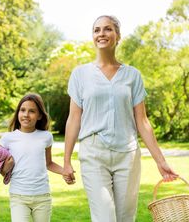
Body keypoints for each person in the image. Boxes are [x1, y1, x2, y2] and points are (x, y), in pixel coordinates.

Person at [62, 15, 178, 222]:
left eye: (107, 29)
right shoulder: (80, 74)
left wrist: (161, 161)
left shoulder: (132, 75)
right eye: (96, 30)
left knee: (125, 218)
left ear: (118, 35)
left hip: (128, 155)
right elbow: (73, 119)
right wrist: (66, 161)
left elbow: (142, 121)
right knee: (105, 217)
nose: (101, 34)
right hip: (93, 153)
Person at [0, 93, 64, 222]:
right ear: (18, 113)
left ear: (39, 115)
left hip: (42, 197)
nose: (26, 115)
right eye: (22, 110)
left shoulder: (46, 136)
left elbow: (49, 163)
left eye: (32, 111)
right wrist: (5, 168)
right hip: (18, 196)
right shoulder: (7, 138)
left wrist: (64, 171)